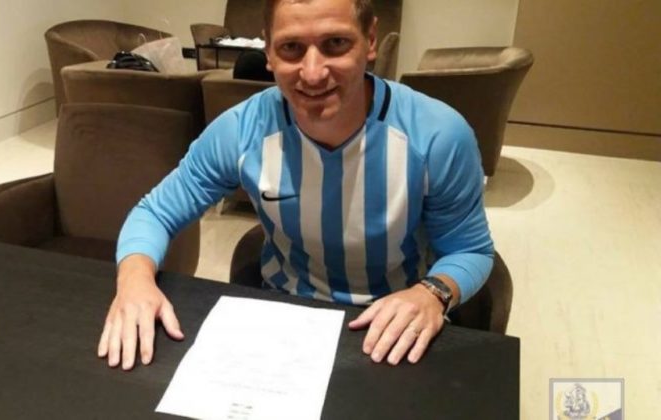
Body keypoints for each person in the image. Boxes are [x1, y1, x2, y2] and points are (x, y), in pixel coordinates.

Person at [98, 0, 494, 371]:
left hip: (394, 320)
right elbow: (155, 212)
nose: (313, 73)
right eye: (291, 48)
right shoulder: (240, 130)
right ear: (268, 52)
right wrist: (134, 280)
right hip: (283, 316)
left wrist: (433, 293)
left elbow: (469, 249)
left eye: (335, 43)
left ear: (370, 40)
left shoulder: (437, 134)